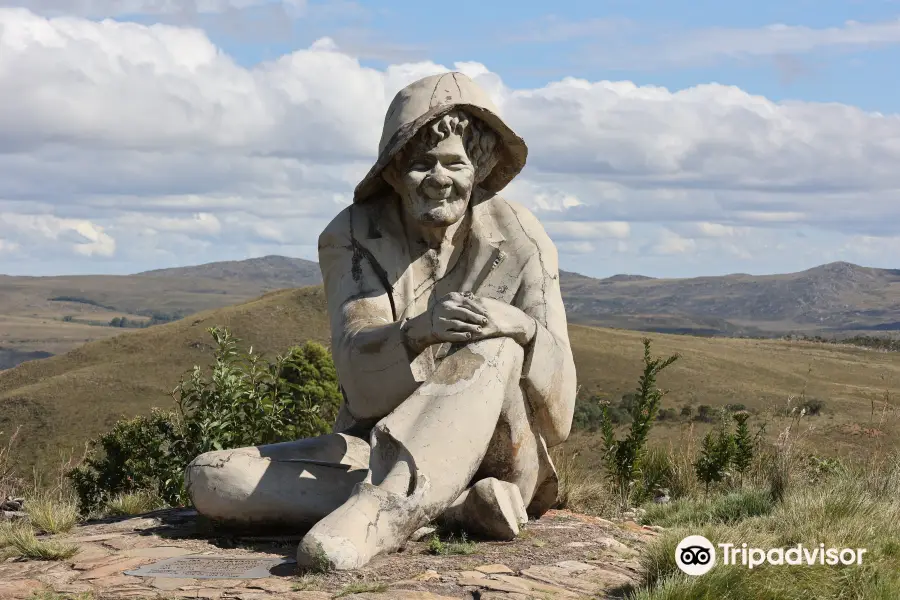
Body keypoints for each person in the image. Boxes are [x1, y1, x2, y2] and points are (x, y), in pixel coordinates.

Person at [185, 72, 577, 571]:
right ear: (392, 171)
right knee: (215, 477)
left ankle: (384, 513)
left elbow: (559, 417)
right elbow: (361, 384)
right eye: (421, 165)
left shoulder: (521, 238)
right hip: (372, 445)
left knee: (494, 345)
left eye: (456, 163)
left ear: (478, 168)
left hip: (498, 452)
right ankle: (450, 508)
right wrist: (419, 331)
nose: (440, 179)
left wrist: (520, 328)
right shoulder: (351, 235)